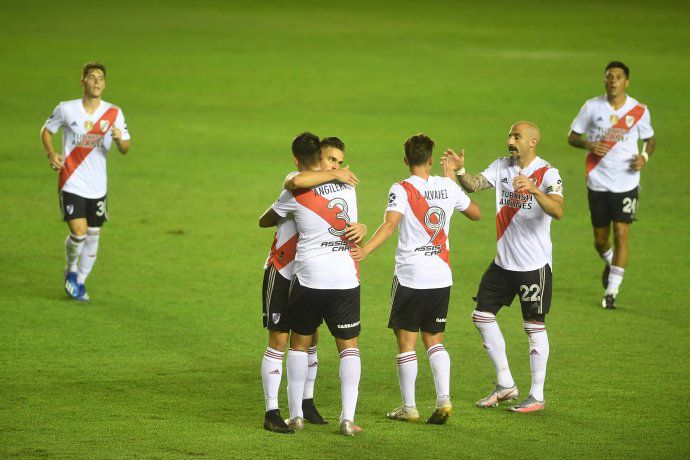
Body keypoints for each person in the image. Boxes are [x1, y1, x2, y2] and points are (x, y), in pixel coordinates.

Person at [351, 134, 480, 425]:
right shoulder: (447, 185)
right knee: (434, 340)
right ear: (431, 159)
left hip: (410, 276)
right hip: (441, 276)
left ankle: (409, 407)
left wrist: (366, 250)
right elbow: (475, 213)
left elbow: (390, 224)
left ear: (406, 160)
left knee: (406, 343)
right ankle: (444, 399)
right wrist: (454, 180)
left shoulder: (402, 188)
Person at [443, 122, 563, 413]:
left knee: (533, 327)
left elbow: (558, 210)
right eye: (510, 135)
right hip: (503, 263)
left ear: (532, 142)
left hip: (533, 265)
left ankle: (537, 394)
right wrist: (460, 171)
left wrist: (534, 189)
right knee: (482, 316)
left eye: (516, 136)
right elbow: (473, 185)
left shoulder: (548, 173)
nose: (510, 140)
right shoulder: (502, 165)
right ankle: (505, 383)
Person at [260, 132, 364, 436]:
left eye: (338, 162)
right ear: (317, 158)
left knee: (310, 337)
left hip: (311, 274)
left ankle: (305, 403)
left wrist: (362, 225)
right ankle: (272, 410)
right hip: (283, 268)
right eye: (330, 159)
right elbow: (272, 210)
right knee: (281, 340)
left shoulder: (337, 187)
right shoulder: (296, 184)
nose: (335, 165)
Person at [567, 61, 656, 309]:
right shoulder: (592, 107)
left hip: (627, 182)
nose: (613, 80)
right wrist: (589, 145)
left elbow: (650, 140)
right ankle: (610, 262)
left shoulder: (638, 111)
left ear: (626, 82)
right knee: (600, 240)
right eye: (609, 77)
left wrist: (644, 157)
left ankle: (611, 291)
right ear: (604, 80)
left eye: (618, 77)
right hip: (598, 181)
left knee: (621, 234)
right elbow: (572, 137)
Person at [40, 62, 131, 301]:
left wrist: (120, 139)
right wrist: (51, 153)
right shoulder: (67, 109)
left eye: (101, 78)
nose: (97, 82)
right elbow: (46, 130)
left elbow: (125, 148)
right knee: (78, 232)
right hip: (71, 179)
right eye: (92, 78)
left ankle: (79, 281)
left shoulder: (114, 113)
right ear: (83, 82)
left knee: (93, 233)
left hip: (97, 186)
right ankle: (70, 270)